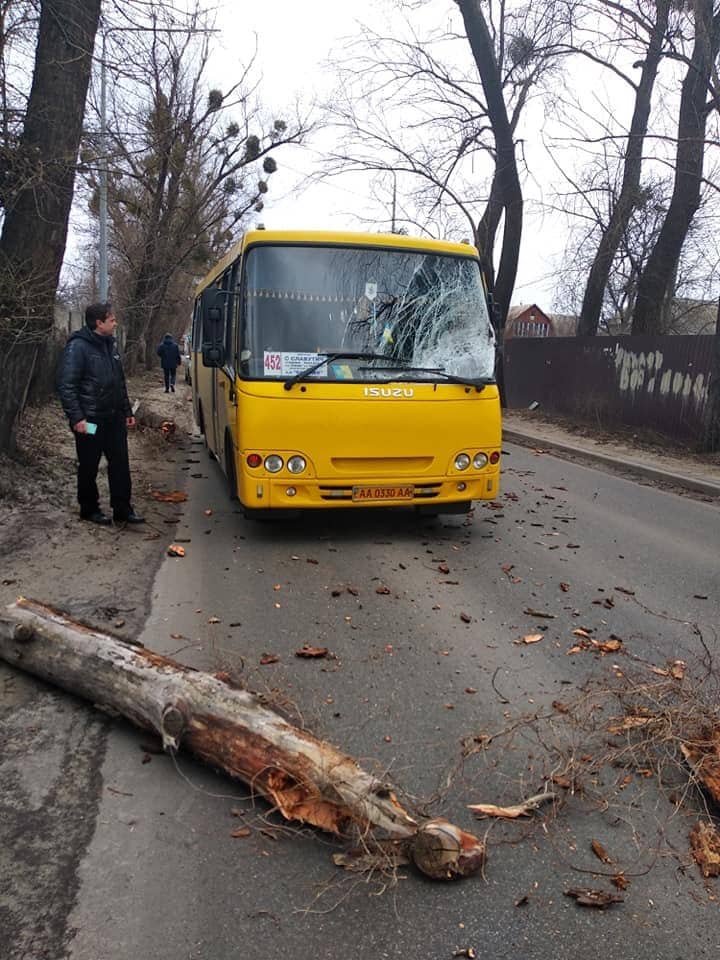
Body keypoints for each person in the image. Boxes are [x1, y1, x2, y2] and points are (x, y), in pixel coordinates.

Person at [56, 302, 145, 526]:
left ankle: (122, 509)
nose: (115, 323)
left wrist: (126, 410)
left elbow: (119, 382)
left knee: (120, 463)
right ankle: (89, 508)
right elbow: (66, 386)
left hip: (114, 418)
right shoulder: (78, 347)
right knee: (89, 465)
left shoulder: (110, 346)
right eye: (112, 319)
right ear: (99, 322)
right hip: (91, 421)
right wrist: (77, 418)